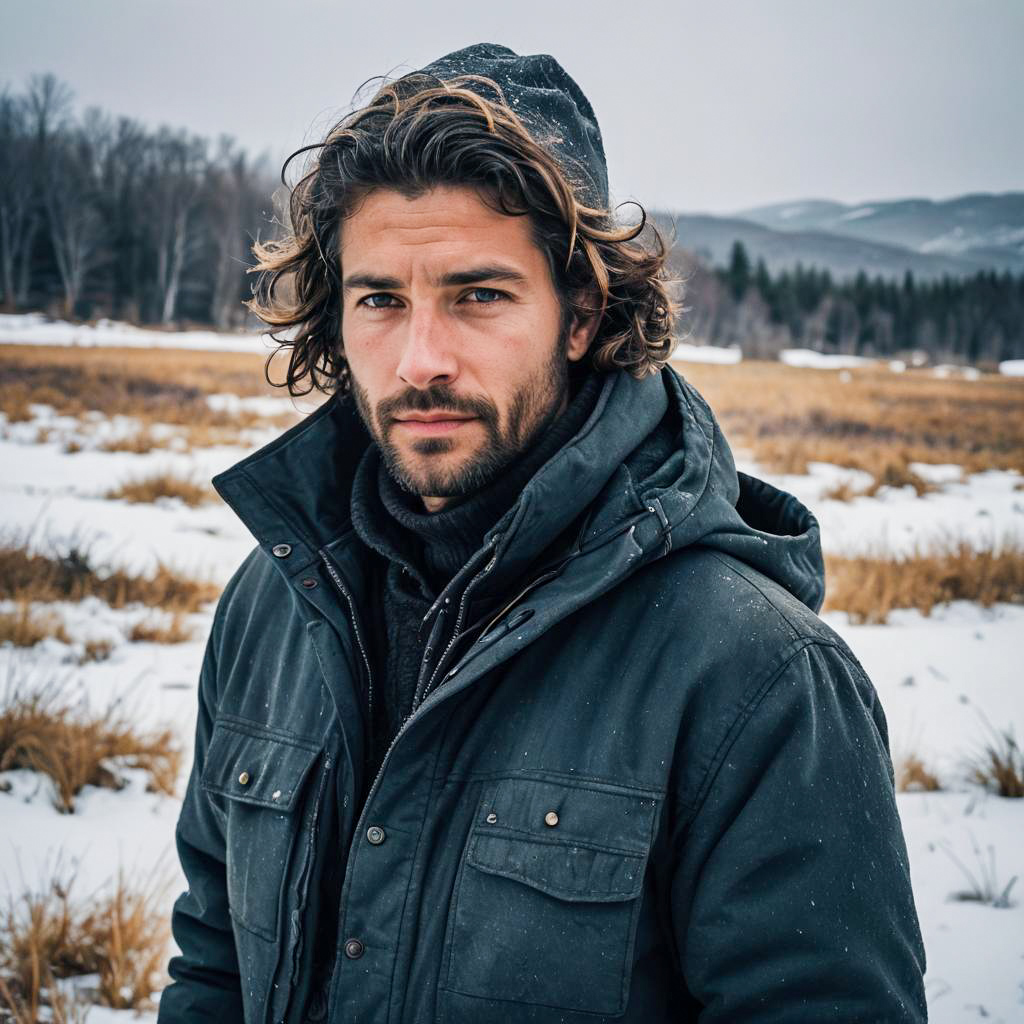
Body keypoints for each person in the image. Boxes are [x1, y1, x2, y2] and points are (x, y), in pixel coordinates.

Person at [158, 42, 927, 1024]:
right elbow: (217, 963)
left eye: (478, 295)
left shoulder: (756, 677)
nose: (419, 359)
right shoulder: (274, 607)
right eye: (380, 300)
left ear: (580, 312)